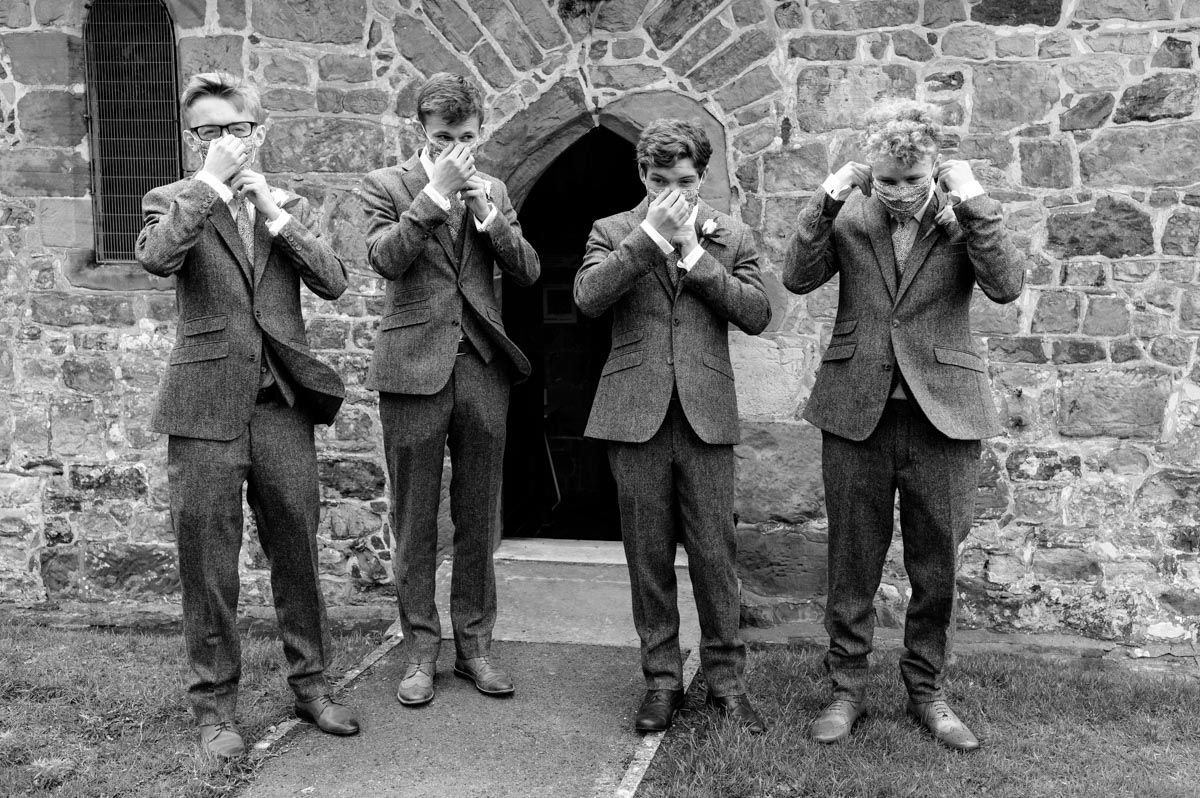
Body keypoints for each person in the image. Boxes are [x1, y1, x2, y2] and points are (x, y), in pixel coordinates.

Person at [782, 99, 1024, 751]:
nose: (896, 193)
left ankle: (929, 692)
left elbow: (1005, 286)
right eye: (885, 180)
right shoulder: (852, 214)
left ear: (934, 172)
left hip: (943, 416)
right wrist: (827, 197)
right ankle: (846, 691)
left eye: (909, 181)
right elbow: (796, 277)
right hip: (854, 411)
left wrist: (973, 200)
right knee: (851, 562)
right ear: (871, 174)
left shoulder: (961, 219)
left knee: (936, 564)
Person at [136, 72, 359, 758]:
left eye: (235, 129)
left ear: (257, 133)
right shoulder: (170, 199)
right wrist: (209, 184)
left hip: (281, 409)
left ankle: (312, 686)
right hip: (204, 408)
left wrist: (273, 211)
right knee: (208, 565)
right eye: (207, 130)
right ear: (192, 139)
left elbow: (333, 280)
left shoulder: (286, 201)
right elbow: (155, 257)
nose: (223, 140)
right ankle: (215, 710)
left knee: (297, 550)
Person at [574, 119, 771, 735]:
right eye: (661, 182)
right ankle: (661, 680)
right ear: (643, 175)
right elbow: (587, 298)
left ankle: (725, 681)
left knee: (716, 554)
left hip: (707, 414)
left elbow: (758, 313)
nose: (674, 192)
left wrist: (693, 252)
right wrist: (650, 237)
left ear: (702, 176)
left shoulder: (730, 234)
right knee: (647, 555)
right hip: (633, 414)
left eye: (685, 182)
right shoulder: (612, 230)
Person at [360, 73, 540, 706]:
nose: (457, 147)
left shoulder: (492, 188)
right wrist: (433, 197)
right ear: (421, 134)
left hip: (482, 366)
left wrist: (490, 216)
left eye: (467, 137)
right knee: (414, 517)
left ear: (479, 132)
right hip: (412, 366)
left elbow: (527, 270)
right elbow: (385, 258)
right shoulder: (386, 186)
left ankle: (475, 647)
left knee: (477, 513)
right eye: (444, 137)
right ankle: (418, 649)